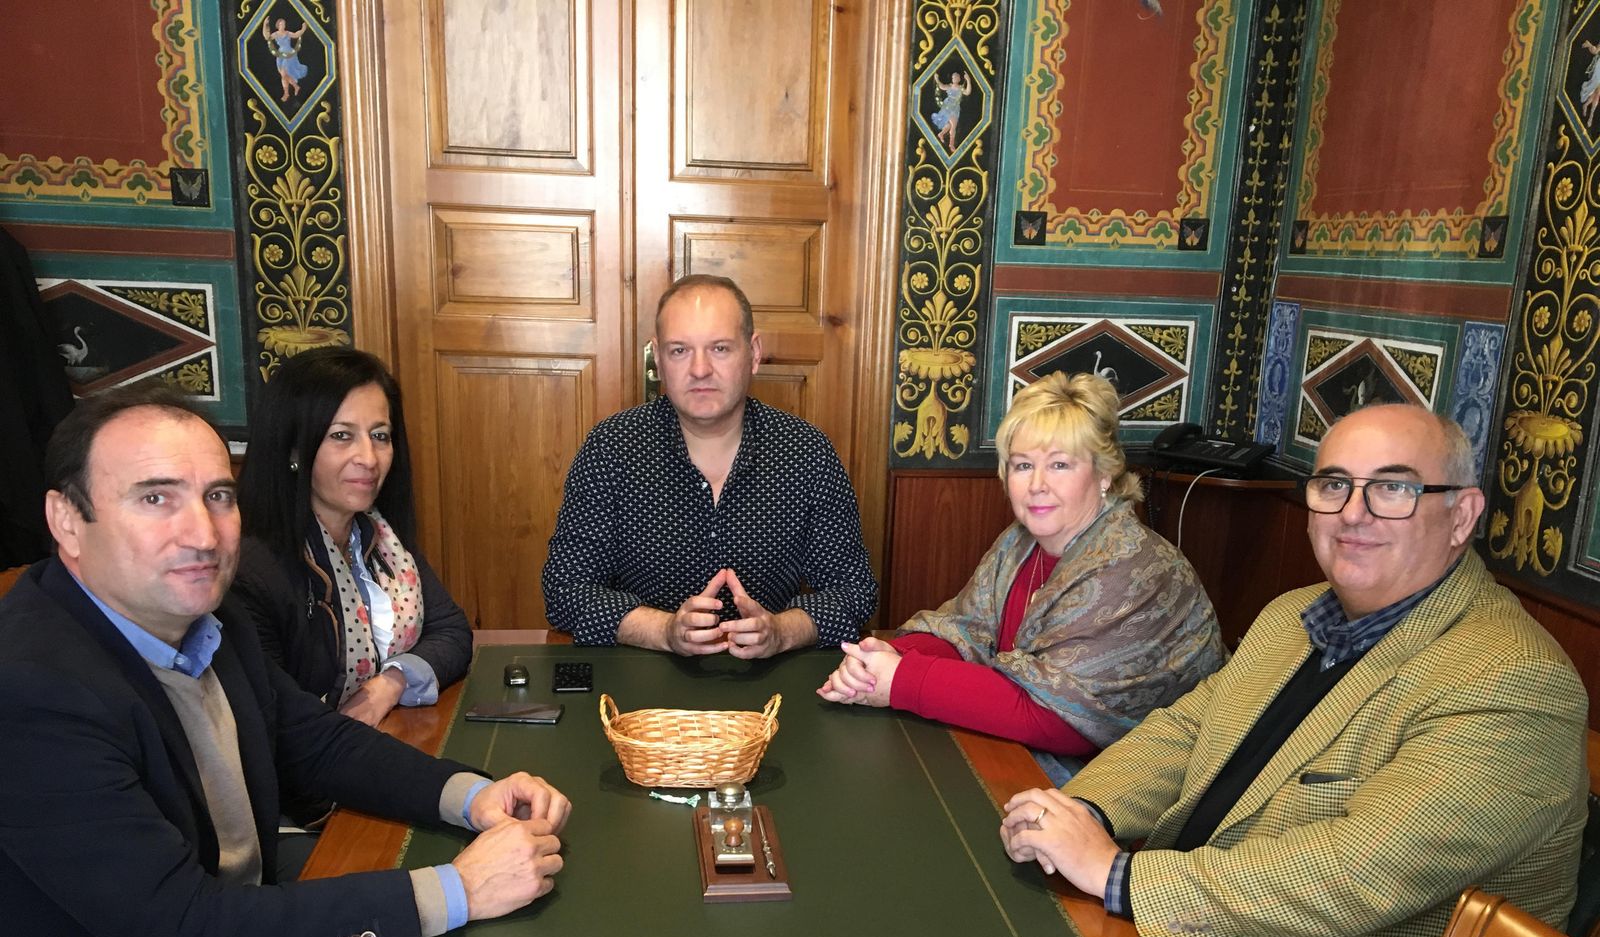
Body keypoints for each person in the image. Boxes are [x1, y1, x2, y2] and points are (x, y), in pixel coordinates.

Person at [0, 385, 569, 937]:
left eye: (217, 496)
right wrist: (457, 890)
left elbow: (317, 739)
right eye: (155, 498)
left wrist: (472, 795)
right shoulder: (31, 690)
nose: (202, 533)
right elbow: (187, 935)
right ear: (66, 520)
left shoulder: (203, 619)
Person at [998, 403, 1587, 937]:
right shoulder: (1291, 618)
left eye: (1394, 489)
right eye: (1334, 484)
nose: (1354, 513)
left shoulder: (1512, 681)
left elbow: (1354, 870)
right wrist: (1082, 807)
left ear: (1461, 515)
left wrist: (1117, 875)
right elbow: (1185, 732)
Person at [819, 372, 1224, 765]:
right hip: (1031, 752)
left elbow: (1059, 719)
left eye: (1060, 465)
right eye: (1023, 465)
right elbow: (967, 630)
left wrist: (902, 679)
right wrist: (885, 657)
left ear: (1104, 474)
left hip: (1131, 782)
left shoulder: (1137, 567)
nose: (1037, 485)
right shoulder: (1020, 541)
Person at [543, 274, 877, 657]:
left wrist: (781, 631)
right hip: (642, 680)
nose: (700, 369)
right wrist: (663, 630)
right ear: (658, 359)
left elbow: (854, 592)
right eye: (680, 351)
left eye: (719, 348)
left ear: (753, 354)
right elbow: (564, 589)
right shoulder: (612, 448)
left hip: (769, 681)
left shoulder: (805, 452)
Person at [233, 347, 471, 742]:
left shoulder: (381, 536)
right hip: (313, 786)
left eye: (380, 436)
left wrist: (390, 683)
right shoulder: (253, 571)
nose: (369, 458)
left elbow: (451, 630)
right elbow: (281, 726)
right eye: (341, 436)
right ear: (294, 448)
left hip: (387, 741)